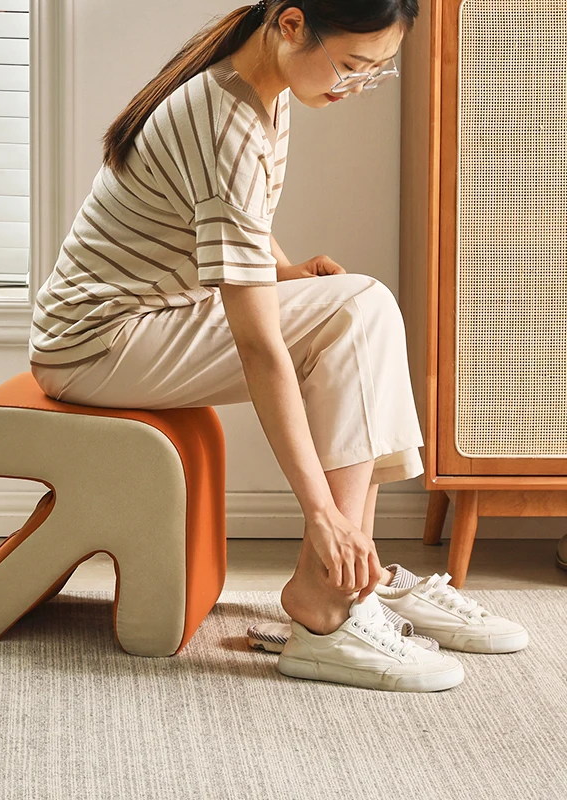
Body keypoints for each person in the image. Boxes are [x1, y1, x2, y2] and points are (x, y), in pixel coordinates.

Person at [28, 0, 528, 692]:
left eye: (375, 73)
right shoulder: (225, 118)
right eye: (351, 66)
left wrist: (286, 275)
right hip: (97, 344)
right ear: (292, 25)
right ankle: (332, 597)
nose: (356, 86)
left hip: (147, 319)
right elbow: (260, 347)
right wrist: (319, 512)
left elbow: (239, 217)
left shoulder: (259, 82)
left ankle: (357, 576)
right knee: (358, 308)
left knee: (361, 306)